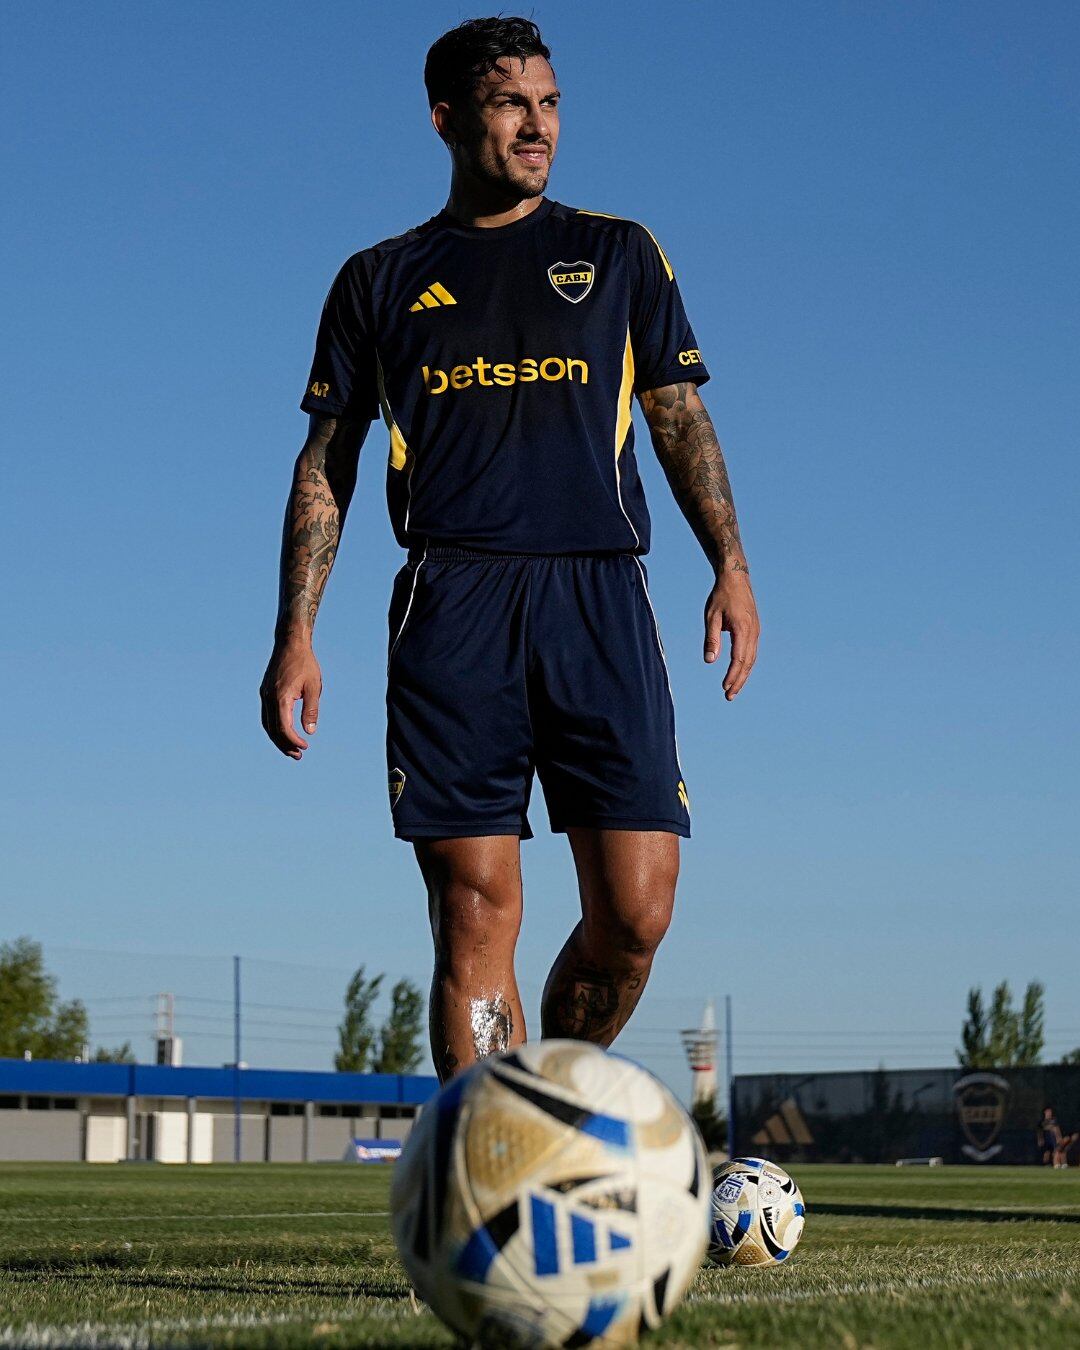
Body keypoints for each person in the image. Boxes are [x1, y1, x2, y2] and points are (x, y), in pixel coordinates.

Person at [260, 16, 759, 1081]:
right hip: (454, 604)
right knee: (475, 910)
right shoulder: (379, 279)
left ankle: (547, 1099)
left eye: (550, 103)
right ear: (447, 120)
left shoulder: (619, 253)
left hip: (599, 595)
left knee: (636, 913)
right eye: (510, 105)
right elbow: (325, 465)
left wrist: (731, 563)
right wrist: (295, 633)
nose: (538, 126)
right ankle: (499, 1156)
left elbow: (678, 418)